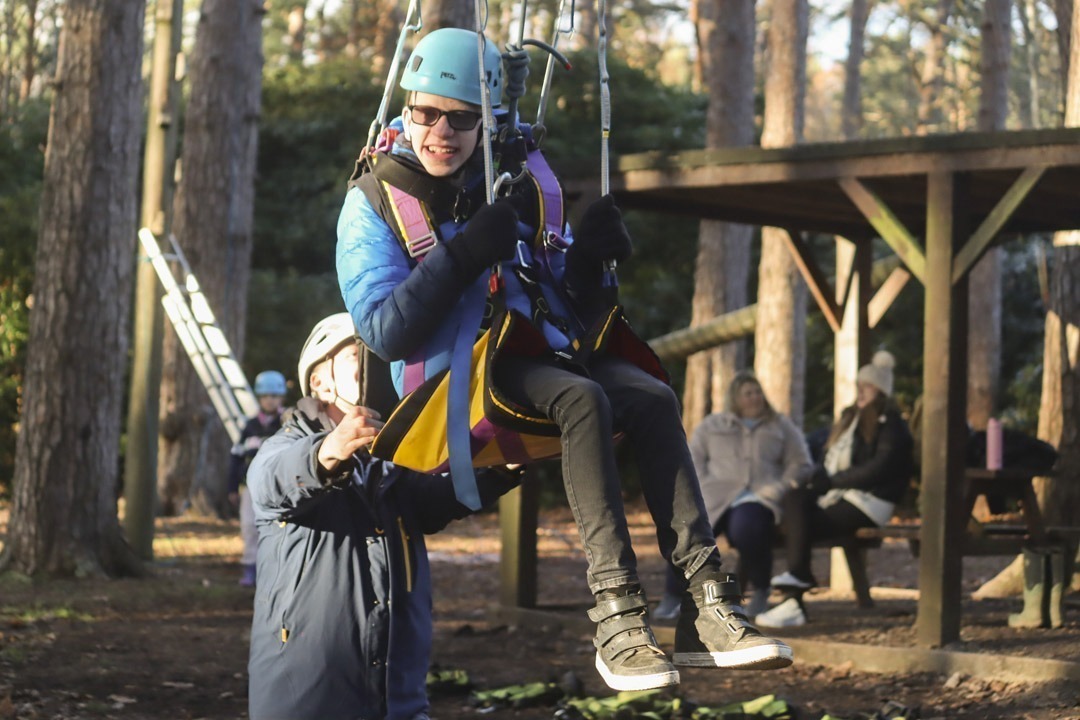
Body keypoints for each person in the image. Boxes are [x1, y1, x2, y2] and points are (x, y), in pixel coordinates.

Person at [337, 28, 792, 692]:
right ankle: (615, 613)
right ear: (406, 109)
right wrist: (464, 254)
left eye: (461, 119)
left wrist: (584, 262)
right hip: (452, 384)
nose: (441, 131)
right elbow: (384, 332)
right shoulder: (374, 201)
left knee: (651, 396)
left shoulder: (512, 181)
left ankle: (703, 602)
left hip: (532, 352)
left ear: (487, 122)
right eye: (427, 113)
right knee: (585, 400)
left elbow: (561, 304)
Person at [245, 313, 522, 720]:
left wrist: (503, 465)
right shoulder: (287, 444)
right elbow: (269, 482)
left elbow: (433, 503)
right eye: (362, 353)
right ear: (320, 382)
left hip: (399, 699)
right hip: (306, 701)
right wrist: (327, 454)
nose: (381, 362)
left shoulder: (394, 456)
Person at [755, 350, 914, 628]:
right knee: (791, 503)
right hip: (841, 496)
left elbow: (879, 468)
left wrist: (832, 483)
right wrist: (814, 478)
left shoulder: (891, 426)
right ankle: (793, 593)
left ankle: (794, 596)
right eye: (859, 386)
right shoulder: (849, 420)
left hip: (870, 504)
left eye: (868, 386)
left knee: (798, 522)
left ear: (881, 391)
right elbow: (821, 451)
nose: (861, 391)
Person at [654, 372, 812, 621]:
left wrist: (781, 486)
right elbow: (691, 459)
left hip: (759, 497)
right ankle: (673, 596)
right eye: (748, 393)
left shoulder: (780, 425)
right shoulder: (712, 425)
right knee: (688, 533)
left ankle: (761, 590)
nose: (755, 397)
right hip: (714, 497)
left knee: (748, 528)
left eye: (758, 392)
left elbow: (801, 463)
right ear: (735, 397)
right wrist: (703, 487)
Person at [228, 369, 287, 587]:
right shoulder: (250, 426)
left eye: (274, 396)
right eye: (265, 396)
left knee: (277, 526)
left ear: (281, 397)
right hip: (250, 489)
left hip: (278, 487)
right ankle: (250, 568)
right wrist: (232, 488)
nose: (270, 401)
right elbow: (235, 457)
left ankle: (275, 568)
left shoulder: (285, 424)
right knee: (249, 526)